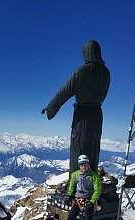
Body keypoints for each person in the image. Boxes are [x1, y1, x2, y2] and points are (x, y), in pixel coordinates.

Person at [41, 40, 110, 175]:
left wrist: (50, 109)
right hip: (97, 114)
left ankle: (76, 187)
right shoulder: (106, 73)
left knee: (78, 148)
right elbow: (104, 95)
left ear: (89, 52)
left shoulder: (82, 71)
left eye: (84, 53)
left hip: (82, 115)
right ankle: (91, 181)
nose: (84, 56)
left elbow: (64, 92)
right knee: (93, 149)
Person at [60, 154, 101, 220]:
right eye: (82, 165)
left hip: (89, 200)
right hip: (78, 200)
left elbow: (98, 189)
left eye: (85, 165)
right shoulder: (75, 175)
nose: (84, 167)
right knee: (70, 219)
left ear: (88, 165)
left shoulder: (93, 176)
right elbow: (72, 186)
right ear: (79, 165)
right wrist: (69, 195)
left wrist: (92, 202)